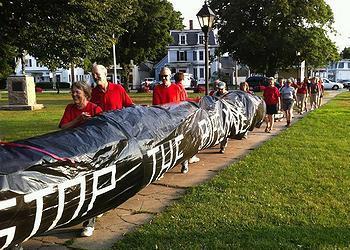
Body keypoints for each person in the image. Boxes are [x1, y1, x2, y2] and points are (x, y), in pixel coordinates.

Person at [81, 64, 134, 238]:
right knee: (96, 176)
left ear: (105, 74)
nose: (96, 76)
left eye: (98, 73)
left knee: (114, 175)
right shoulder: (92, 94)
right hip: (98, 140)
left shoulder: (118, 89)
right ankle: (90, 219)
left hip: (118, 140)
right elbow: (85, 110)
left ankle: (104, 204)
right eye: (93, 74)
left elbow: (130, 107)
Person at [152, 67, 194, 173]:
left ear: (170, 76)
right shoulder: (157, 89)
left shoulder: (177, 88)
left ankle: (184, 162)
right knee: (165, 143)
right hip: (163, 120)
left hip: (176, 120)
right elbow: (156, 105)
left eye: (166, 76)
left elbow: (183, 103)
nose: (164, 78)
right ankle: (164, 166)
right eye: (162, 76)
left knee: (180, 141)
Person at [212, 81, 230, 153]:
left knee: (225, 130)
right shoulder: (215, 94)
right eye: (218, 89)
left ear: (224, 88)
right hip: (217, 114)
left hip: (225, 115)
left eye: (221, 89)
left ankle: (223, 146)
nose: (220, 90)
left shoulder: (228, 95)